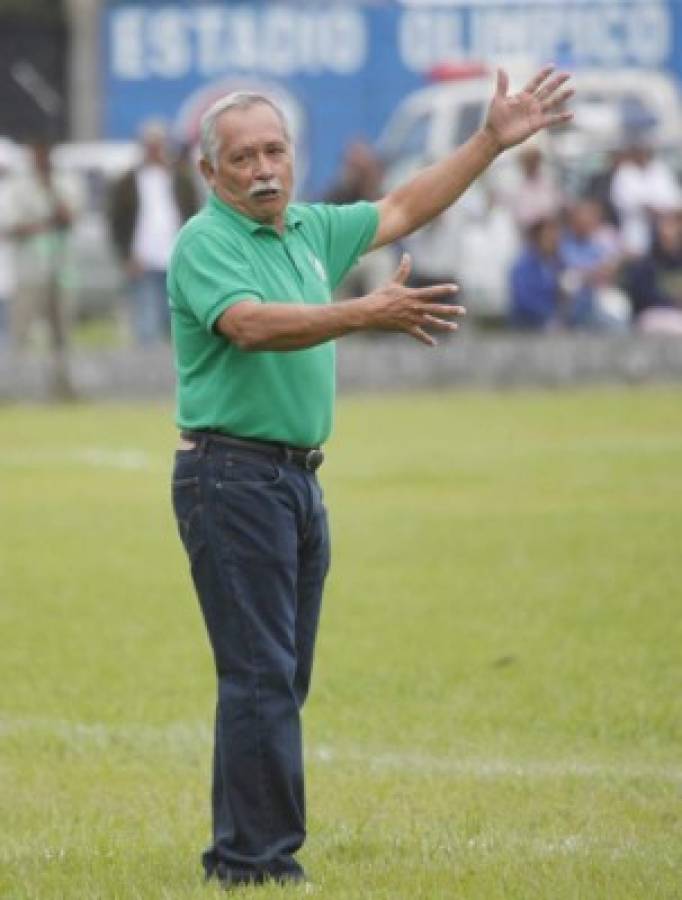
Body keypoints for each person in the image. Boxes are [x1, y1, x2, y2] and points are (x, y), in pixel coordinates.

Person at [168, 67, 572, 888]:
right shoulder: (203, 242)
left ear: (293, 153)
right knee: (260, 676)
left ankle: (240, 849)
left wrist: (489, 141)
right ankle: (255, 862)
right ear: (210, 172)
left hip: (293, 481)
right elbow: (247, 325)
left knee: (278, 677)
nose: (262, 169)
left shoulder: (309, 229)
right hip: (231, 477)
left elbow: (402, 208)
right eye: (241, 158)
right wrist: (364, 314)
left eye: (273, 150)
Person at [108, 121, 200, 345]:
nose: (154, 150)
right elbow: (116, 222)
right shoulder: (128, 181)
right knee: (146, 321)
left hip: (176, 260)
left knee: (177, 321)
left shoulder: (180, 179)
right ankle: (146, 376)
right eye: (150, 145)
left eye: (158, 144)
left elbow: (195, 216)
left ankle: (173, 375)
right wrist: (125, 256)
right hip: (143, 260)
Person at [8, 141, 83, 397]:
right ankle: (12, 386)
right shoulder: (18, 186)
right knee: (21, 330)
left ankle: (63, 385)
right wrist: (41, 225)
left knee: (62, 333)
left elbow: (70, 216)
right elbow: (10, 225)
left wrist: (51, 189)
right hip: (30, 271)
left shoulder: (64, 182)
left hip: (61, 270)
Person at [509, 215, 564, 330]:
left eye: (556, 237)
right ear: (537, 238)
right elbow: (523, 301)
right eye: (548, 237)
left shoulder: (559, 264)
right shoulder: (523, 266)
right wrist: (550, 315)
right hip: (528, 328)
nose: (553, 241)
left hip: (555, 326)